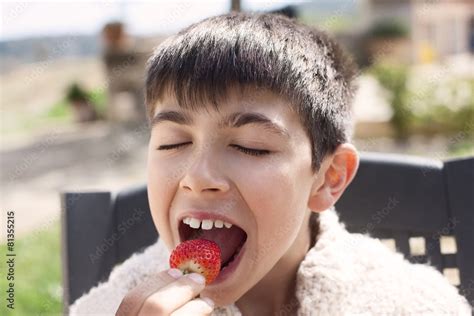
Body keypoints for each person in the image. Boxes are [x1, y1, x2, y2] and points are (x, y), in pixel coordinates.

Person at [69, 12, 471, 315]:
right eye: (174, 142)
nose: (197, 177)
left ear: (329, 177)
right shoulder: (104, 308)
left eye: (250, 147)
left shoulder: (413, 303)